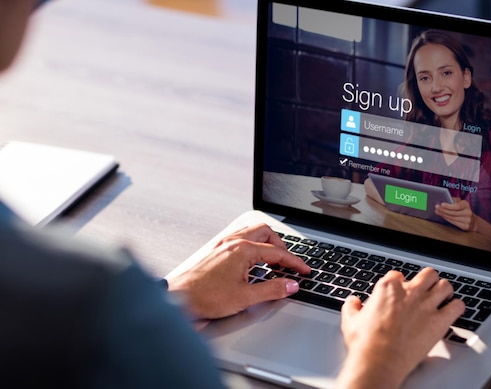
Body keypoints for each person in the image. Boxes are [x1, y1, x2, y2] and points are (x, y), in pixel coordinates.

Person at [0, 1, 464, 388]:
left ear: (465, 78)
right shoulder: (100, 306)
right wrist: (379, 360)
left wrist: (173, 296)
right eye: (424, 77)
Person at [365, 30, 491, 259]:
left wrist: (476, 224)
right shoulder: (423, 139)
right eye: (425, 78)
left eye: (446, 73)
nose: (436, 87)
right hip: (426, 260)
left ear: (466, 77)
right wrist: (420, 202)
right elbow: (371, 184)